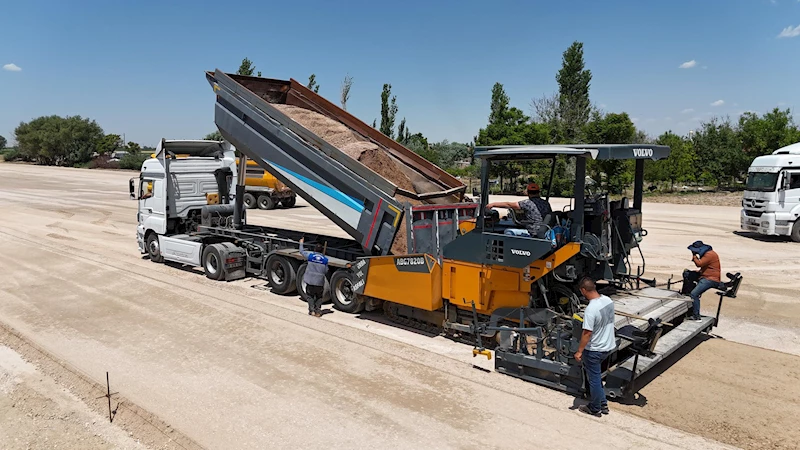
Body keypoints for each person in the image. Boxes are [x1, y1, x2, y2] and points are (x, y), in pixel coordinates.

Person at [574, 277, 616, 417]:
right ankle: (603, 404)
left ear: (583, 290)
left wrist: (579, 351)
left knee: (594, 379)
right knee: (597, 377)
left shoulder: (590, 309)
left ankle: (595, 408)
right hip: (608, 345)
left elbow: (587, 333)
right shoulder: (608, 301)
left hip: (595, 349)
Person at [486, 182, 553, 235]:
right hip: (545, 230)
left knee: (508, 231)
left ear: (528, 193)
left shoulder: (527, 203)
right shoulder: (546, 203)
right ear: (538, 192)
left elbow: (508, 204)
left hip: (533, 232)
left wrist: (493, 204)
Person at [684, 240, 723, 322]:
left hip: (710, 279)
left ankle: (696, 316)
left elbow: (699, 264)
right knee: (687, 274)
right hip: (705, 276)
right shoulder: (708, 253)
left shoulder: (709, 254)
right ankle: (687, 293)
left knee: (694, 294)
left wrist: (694, 255)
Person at [299, 237, 328, 317]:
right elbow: (326, 271)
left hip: (310, 281)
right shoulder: (325, 260)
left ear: (315, 250)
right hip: (319, 282)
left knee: (310, 296)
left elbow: (301, 251)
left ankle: (312, 310)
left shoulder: (310, 256)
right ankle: (318, 311)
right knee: (319, 297)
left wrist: (301, 243)